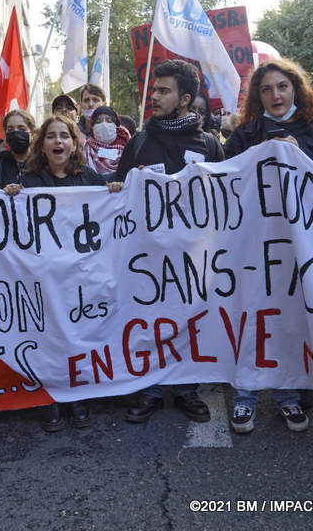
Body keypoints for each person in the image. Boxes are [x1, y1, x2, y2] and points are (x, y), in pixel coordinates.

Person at [224, 57, 313, 433]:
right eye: (266, 88)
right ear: (258, 96)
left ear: (296, 89)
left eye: (282, 86)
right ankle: (244, 396)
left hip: (298, 244)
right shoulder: (245, 134)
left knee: (289, 320)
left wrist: (299, 155)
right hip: (252, 243)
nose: (275, 94)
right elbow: (224, 182)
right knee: (249, 315)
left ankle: (288, 396)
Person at [115, 59, 224, 425]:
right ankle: (148, 389)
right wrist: (120, 187)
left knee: (191, 321)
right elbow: (116, 198)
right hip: (148, 258)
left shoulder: (209, 144)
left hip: (195, 258)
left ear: (184, 98)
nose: (154, 96)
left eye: (163, 90)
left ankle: (186, 389)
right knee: (149, 320)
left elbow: (227, 197)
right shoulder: (139, 143)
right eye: (153, 90)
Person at [3, 114, 123, 431]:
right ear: (42, 145)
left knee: (75, 336)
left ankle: (76, 393)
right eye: (52, 136)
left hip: (79, 279)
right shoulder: (27, 183)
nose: (58, 141)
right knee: (48, 338)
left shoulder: (90, 180)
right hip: (43, 279)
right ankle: (50, 397)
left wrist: (113, 191)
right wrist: (10, 198)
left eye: (65, 136)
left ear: (74, 144)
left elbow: (111, 209)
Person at [0, 109, 37, 188]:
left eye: (22, 129)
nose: (16, 133)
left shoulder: (44, 164)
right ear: (5, 135)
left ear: (33, 133)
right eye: (10, 129)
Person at [82, 105, 130, 176]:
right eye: (98, 121)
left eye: (109, 120)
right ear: (92, 127)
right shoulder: (85, 149)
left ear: (116, 125)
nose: (104, 124)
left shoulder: (127, 149)